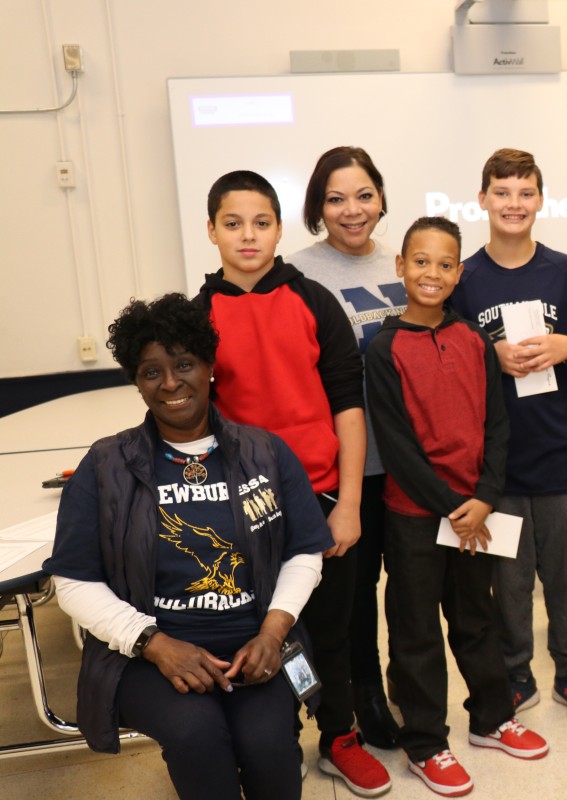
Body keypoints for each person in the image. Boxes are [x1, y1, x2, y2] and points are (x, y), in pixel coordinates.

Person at [44, 293, 332, 800]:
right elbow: (72, 580)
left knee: (268, 747)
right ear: (137, 381)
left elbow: (304, 551)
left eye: (183, 365)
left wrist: (273, 630)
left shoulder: (264, 451)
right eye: (151, 371)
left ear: (209, 367)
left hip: (255, 642)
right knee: (198, 735)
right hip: (149, 653)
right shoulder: (106, 465)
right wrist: (155, 644)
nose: (171, 383)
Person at [195, 171, 391, 797]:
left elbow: (347, 408)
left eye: (260, 223)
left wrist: (352, 503)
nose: (247, 236)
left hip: (324, 498)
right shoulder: (197, 316)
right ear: (211, 231)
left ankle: (338, 737)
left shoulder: (314, 300)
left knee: (331, 631)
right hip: (240, 510)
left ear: (279, 228)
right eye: (233, 223)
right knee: (263, 631)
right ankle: (271, 732)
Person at [366, 216, 549, 798]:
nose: (432, 273)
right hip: (418, 516)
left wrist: (485, 498)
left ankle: (492, 719)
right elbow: (397, 446)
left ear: (459, 273)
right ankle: (425, 742)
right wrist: (451, 504)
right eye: (421, 261)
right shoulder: (383, 347)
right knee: (416, 629)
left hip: (476, 511)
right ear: (399, 266)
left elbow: (497, 424)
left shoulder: (473, 338)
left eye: (445, 264)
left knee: (477, 619)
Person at [448, 148, 567, 727]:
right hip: (499, 466)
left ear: (540, 199)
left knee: (566, 577)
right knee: (508, 583)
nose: (514, 203)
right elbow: (450, 368)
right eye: (502, 191)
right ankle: (517, 672)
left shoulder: (566, 271)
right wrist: (488, 357)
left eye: (525, 192)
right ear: (483, 197)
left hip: (565, 455)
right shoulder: (462, 279)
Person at [289, 146, 406, 749]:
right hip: (345, 469)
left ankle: (406, 689)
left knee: (409, 592)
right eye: (336, 198)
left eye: (364, 195)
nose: (352, 210)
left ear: (381, 198)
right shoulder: (298, 275)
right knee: (353, 600)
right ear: (317, 206)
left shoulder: (409, 262)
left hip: (410, 464)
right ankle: (362, 700)